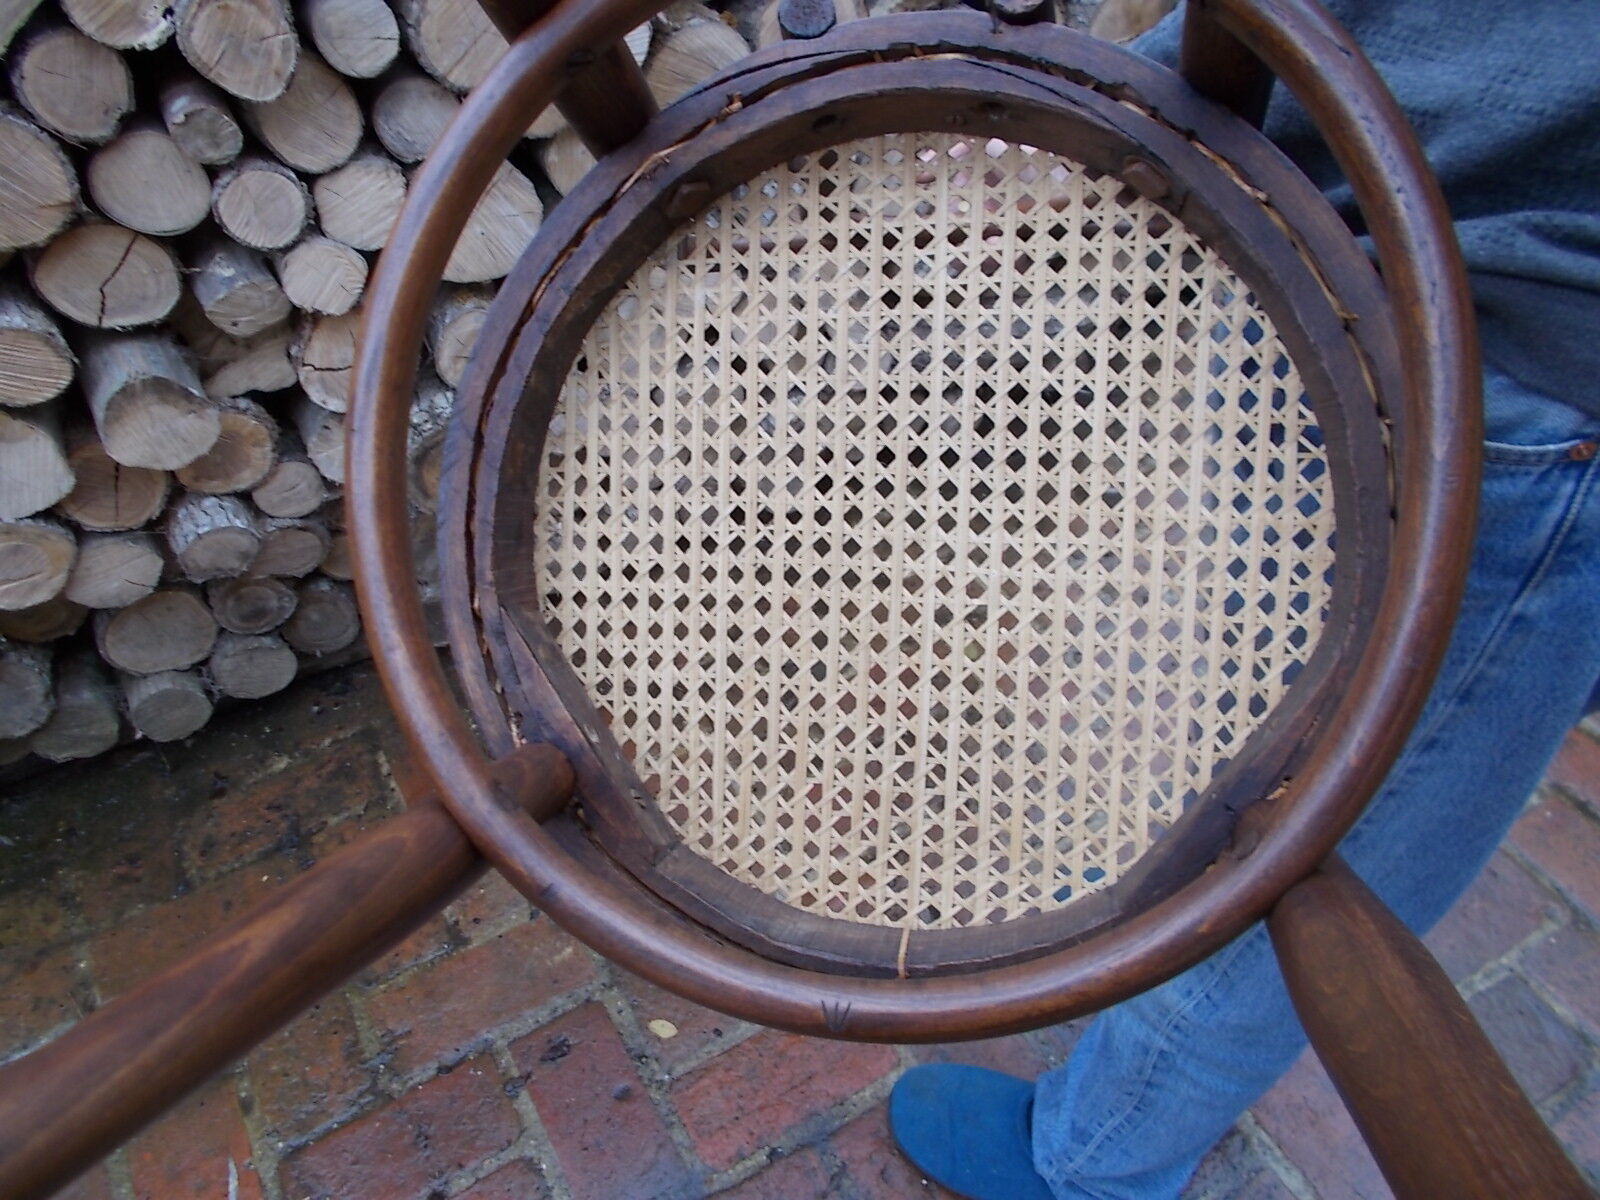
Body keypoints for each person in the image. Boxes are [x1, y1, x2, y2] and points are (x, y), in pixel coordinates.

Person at [888, 1, 1600, 1196]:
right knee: (1233, 750)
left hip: (1514, 366)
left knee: (1301, 850)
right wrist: (1151, 77)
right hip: (1314, 256)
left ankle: (1095, 1166)